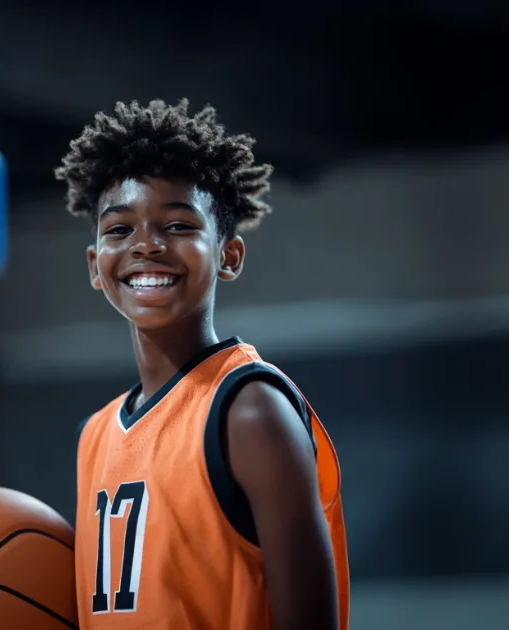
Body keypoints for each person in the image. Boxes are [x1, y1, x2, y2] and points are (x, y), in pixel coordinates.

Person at [59, 99, 350, 630]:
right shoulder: (93, 436)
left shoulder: (249, 411)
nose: (146, 245)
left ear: (228, 256)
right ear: (95, 267)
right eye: (119, 229)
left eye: (176, 224)